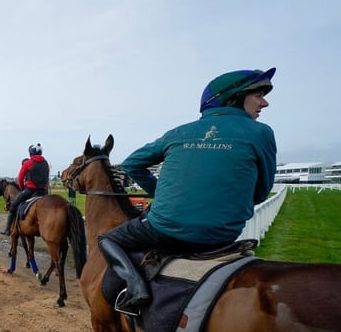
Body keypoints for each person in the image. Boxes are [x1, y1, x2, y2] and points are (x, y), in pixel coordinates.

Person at [99, 67, 278, 315]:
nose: (264, 102)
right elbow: (260, 194)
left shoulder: (179, 132)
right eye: (258, 94)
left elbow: (131, 163)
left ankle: (135, 287)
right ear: (232, 97)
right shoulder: (262, 133)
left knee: (107, 238)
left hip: (165, 230)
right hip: (222, 236)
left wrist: (159, 193)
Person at [1, 144, 50, 235]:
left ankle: (7, 229)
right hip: (43, 192)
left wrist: (23, 188)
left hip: (30, 191)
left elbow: (20, 179)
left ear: (31, 153)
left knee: (13, 206)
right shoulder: (46, 163)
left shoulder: (28, 163)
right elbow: (46, 178)